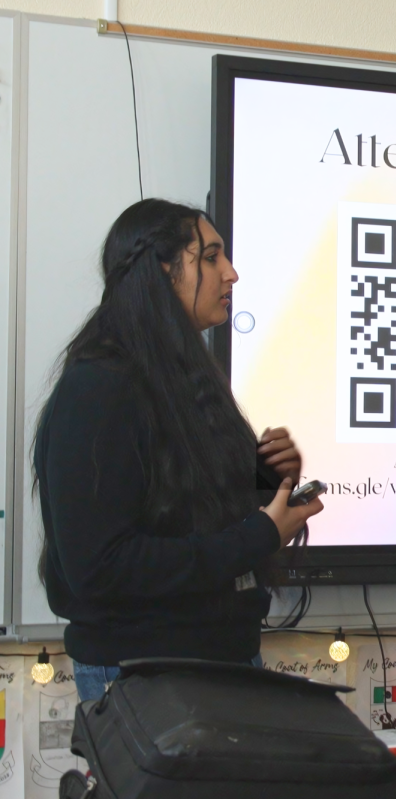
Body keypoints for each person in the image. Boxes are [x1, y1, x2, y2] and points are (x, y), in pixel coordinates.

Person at [33, 199, 323, 702]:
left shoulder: (183, 379)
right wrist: (258, 534)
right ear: (163, 272)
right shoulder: (100, 388)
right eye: (210, 257)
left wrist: (268, 483)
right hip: (147, 678)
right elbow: (101, 566)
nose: (231, 274)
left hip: (220, 663)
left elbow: (189, 514)